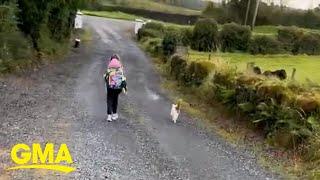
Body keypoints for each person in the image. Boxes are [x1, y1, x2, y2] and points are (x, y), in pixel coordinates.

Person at [103, 54, 127, 122]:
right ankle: (115, 114)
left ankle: (109, 116)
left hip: (110, 86)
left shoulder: (109, 66)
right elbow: (123, 77)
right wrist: (124, 87)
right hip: (118, 87)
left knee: (109, 99)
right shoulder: (120, 66)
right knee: (115, 99)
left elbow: (106, 77)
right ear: (118, 59)